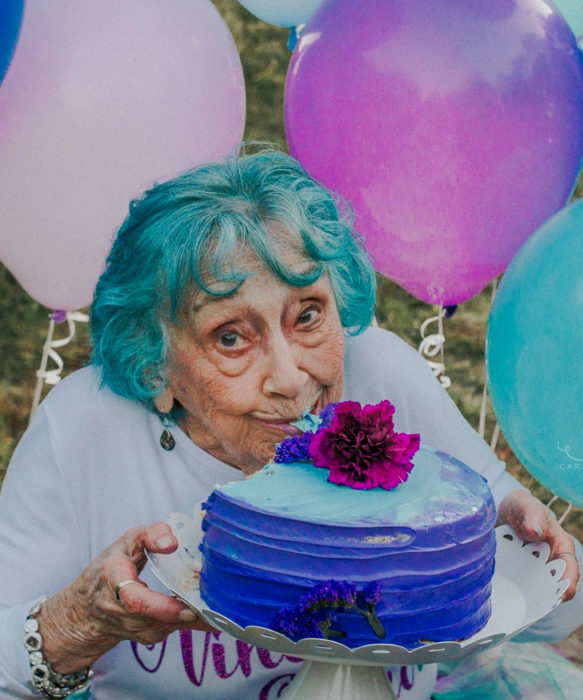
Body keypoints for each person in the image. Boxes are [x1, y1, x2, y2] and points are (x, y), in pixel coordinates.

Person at [0, 145, 580, 699]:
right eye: (230, 337)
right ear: (155, 367)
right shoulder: (83, 429)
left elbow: (550, 612)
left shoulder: (383, 375)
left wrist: (517, 548)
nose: (289, 377)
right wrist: (78, 621)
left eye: (307, 315)